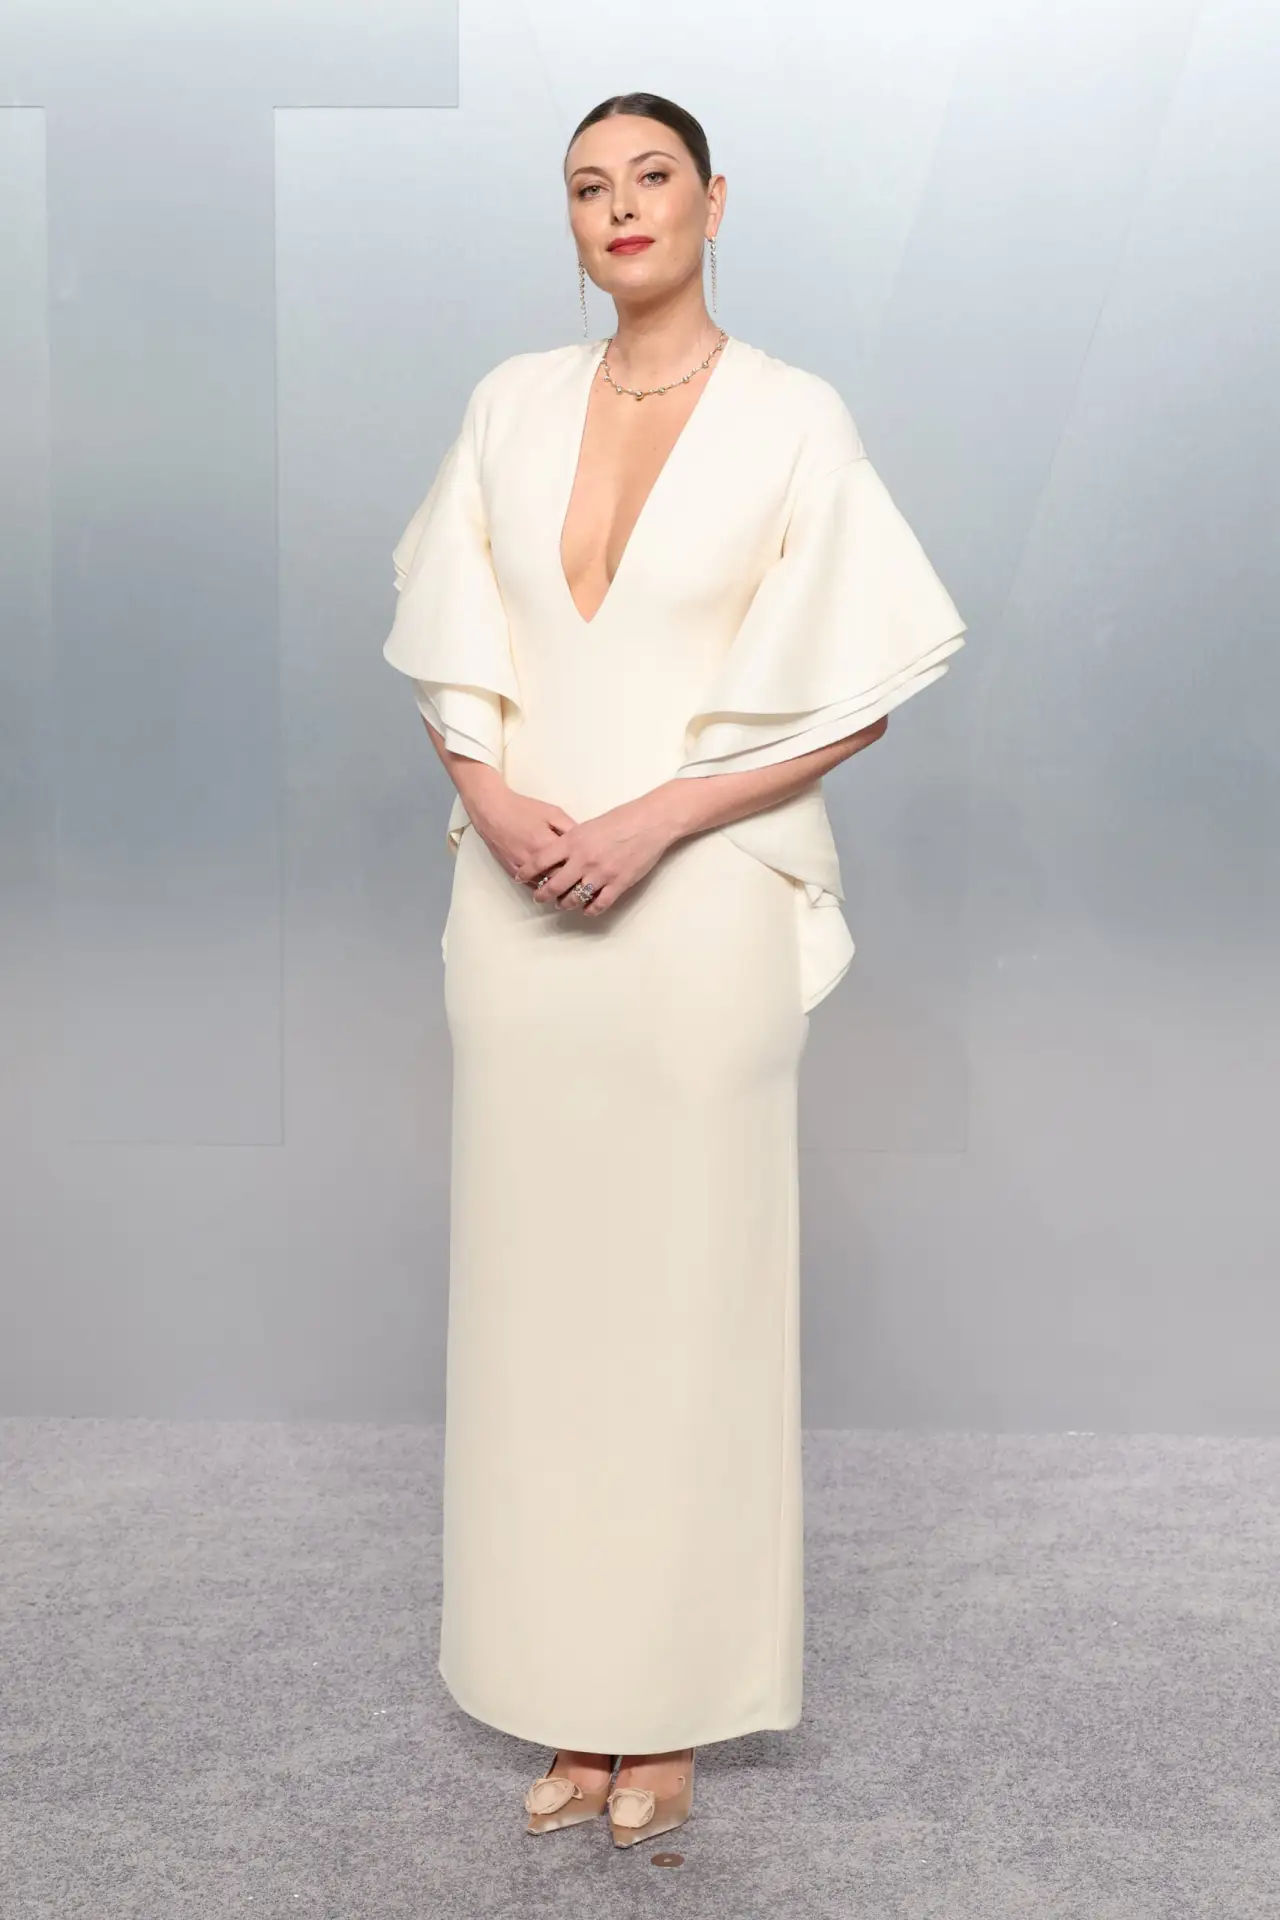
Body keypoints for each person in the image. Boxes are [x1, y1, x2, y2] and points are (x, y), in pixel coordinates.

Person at [382, 91, 967, 1850]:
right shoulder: (508, 402)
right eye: (588, 187)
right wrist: (497, 804)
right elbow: (449, 645)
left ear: (716, 201)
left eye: (651, 178)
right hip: (518, 907)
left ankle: (672, 1709)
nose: (620, 207)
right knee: (536, 1308)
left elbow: (854, 692)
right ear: (568, 222)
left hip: (700, 903)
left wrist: (650, 823)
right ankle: (571, 1699)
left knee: (687, 1303)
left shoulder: (793, 416)